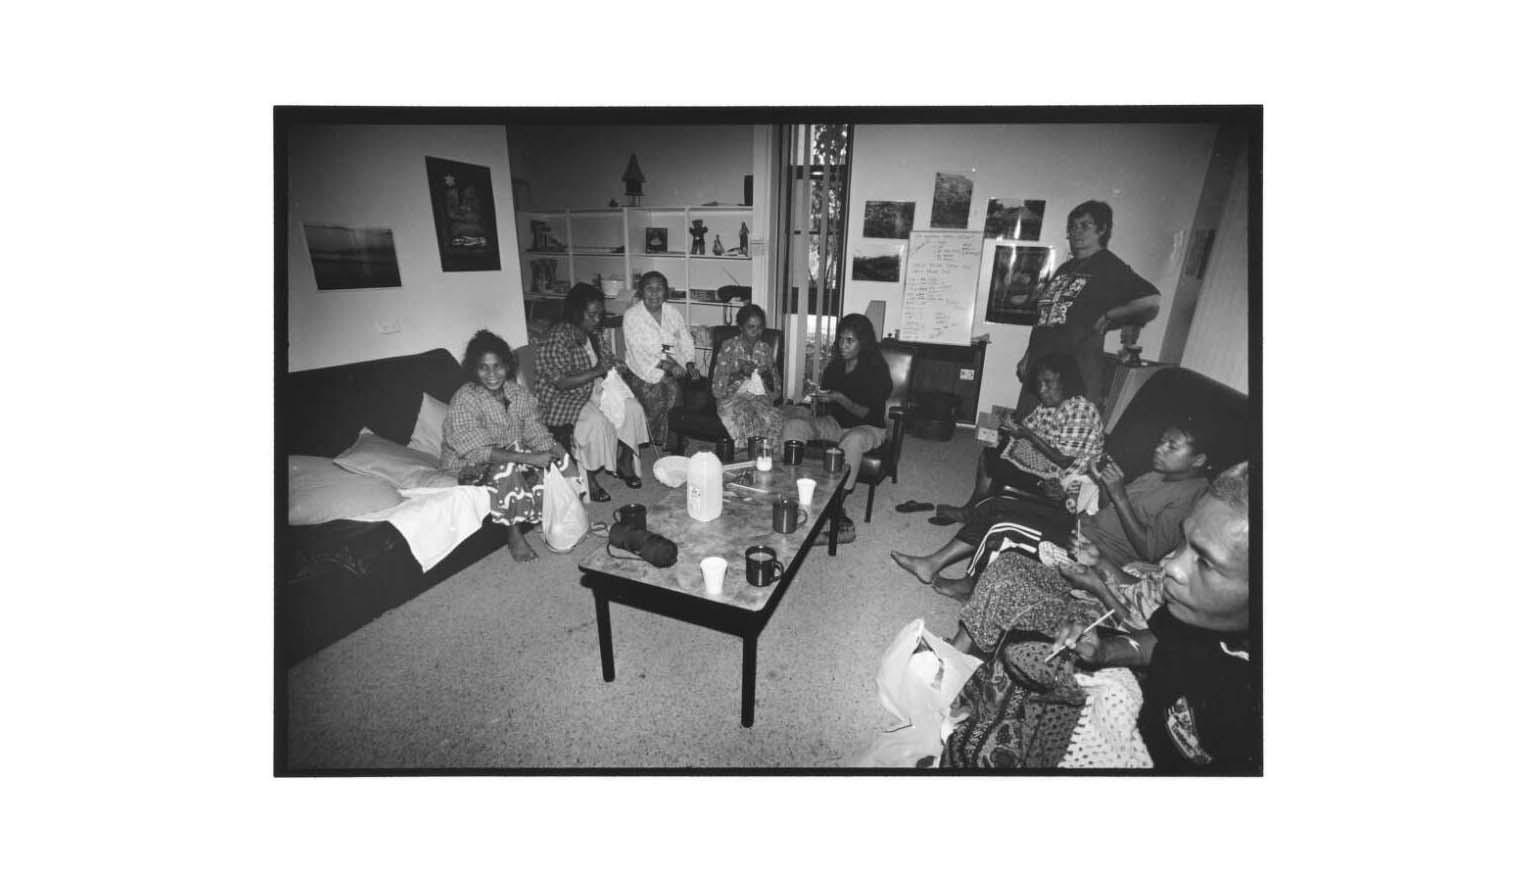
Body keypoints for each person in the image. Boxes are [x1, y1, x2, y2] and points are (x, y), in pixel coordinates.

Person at [1051, 462, 1255, 772]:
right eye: (1184, 541)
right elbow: (1161, 640)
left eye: (1206, 563)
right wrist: (1107, 650)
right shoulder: (1193, 616)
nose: (1172, 565)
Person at [895, 418, 1209, 605]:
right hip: (1081, 524)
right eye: (1162, 442)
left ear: (1198, 460)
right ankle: (931, 563)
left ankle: (970, 584)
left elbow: (1150, 549)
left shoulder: (1190, 498)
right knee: (994, 505)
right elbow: (1111, 507)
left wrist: (1120, 496)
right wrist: (1101, 486)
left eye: (1172, 446)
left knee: (1004, 528)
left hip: (1092, 551)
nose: (1159, 448)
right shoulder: (1159, 475)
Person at [441, 329, 577, 562]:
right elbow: (480, 452)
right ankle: (514, 535)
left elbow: (535, 431)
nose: (492, 374)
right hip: (468, 464)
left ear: (507, 366)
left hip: (511, 450)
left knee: (555, 455)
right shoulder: (465, 399)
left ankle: (550, 516)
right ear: (474, 369)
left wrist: (557, 454)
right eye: (484, 367)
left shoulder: (517, 393)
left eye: (498, 366)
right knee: (509, 467)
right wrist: (530, 459)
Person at [1015, 200, 1160, 414]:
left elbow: (1152, 300)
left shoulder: (1109, 266)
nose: (1076, 232)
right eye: (1072, 226)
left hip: (1075, 362)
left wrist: (1112, 315)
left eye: (1085, 226)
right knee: (1030, 419)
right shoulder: (1065, 268)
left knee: (1063, 427)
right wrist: (1028, 355)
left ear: (1102, 230)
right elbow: (1045, 317)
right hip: (1042, 358)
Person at [934, 352, 1105, 528]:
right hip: (1049, 465)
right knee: (995, 449)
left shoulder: (1080, 411)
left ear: (1066, 382)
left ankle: (976, 513)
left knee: (996, 459)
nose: (1042, 389)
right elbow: (1026, 427)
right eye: (1040, 383)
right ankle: (976, 510)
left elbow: (1064, 461)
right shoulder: (1048, 407)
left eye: (1048, 383)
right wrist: (1013, 427)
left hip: (1066, 483)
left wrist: (1027, 435)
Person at [780, 313, 893, 542]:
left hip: (867, 427)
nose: (843, 345)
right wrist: (816, 403)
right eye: (840, 339)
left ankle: (835, 504)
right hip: (836, 424)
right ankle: (790, 489)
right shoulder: (834, 368)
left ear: (863, 342)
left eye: (849, 340)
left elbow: (866, 412)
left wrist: (840, 398)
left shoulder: (876, 370)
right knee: (794, 426)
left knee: (852, 441)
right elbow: (827, 407)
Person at [534, 283, 649, 502]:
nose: (598, 319)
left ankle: (625, 461)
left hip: (594, 387)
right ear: (576, 313)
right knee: (597, 424)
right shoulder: (557, 338)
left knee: (633, 409)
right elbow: (561, 382)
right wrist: (597, 370)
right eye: (592, 314)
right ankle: (589, 478)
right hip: (564, 398)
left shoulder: (593, 332)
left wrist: (616, 364)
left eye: (600, 314)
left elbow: (605, 358)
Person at [622, 270, 701, 448]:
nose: (654, 294)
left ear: (666, 292)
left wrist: (689, 363)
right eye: (649, 288)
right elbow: (637, 351)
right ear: (641, 292)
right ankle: (651, 437)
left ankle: (673, 438)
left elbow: (685, 339)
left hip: (675, 364)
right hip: (644, 369)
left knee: (691, 388)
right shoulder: (632, 316)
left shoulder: (672, 312)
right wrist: (667, 366)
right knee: (670, 388)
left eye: (659, 289)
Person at [711, 303, 784, 449]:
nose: (756, 332)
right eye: (751, 327)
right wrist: (739, 373)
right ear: (741, 327)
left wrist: (765, 376)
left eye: (760, 327)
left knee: (774, 419)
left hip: (759, 398)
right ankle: (745, 460)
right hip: (732, 398)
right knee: (745, 418)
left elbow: (776, 391)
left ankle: (765, 460)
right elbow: (717, 390)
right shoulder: (729, 347)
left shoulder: (765, 349)